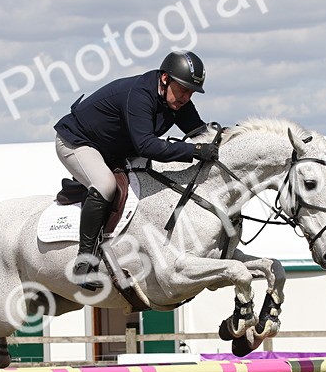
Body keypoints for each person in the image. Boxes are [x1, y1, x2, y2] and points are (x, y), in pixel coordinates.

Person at [53, 50, 218, 291]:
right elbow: (146, 145)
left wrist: (222, 139)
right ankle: (84, 263)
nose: (186, 97)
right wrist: (193, 151)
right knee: (105, 184)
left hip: (113, 149)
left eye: (191, 92)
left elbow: (199, 133)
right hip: (77, 141)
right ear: (164, 79)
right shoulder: (140, 95)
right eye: (183, 89)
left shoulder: (177, 100)